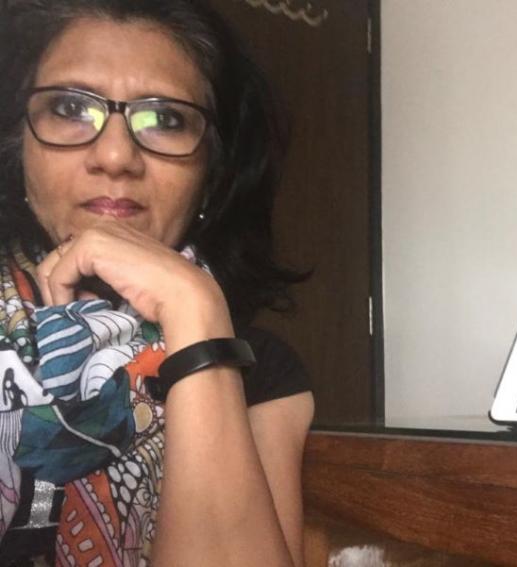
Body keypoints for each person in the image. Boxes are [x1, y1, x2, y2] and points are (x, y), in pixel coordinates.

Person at [0, 1, 314, 565]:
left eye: (164, 119)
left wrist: (194, 308)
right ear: (17, 146)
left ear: (212, 172)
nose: (116, 155)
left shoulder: (258, 369)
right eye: (69, 107)